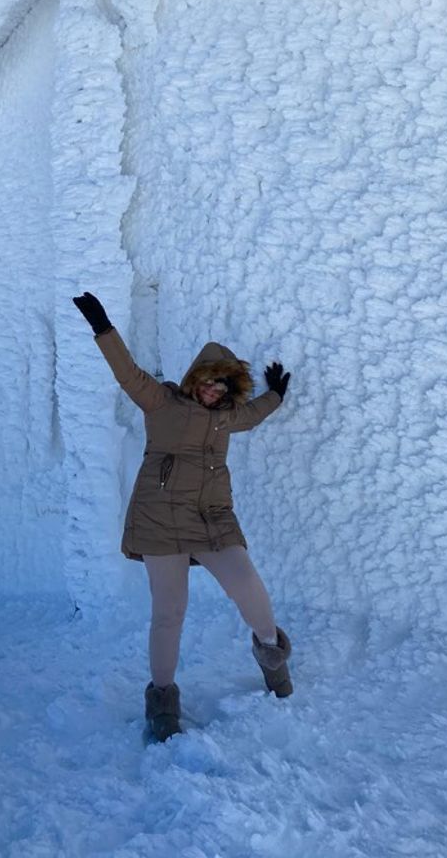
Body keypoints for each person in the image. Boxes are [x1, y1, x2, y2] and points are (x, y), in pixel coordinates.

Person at [72, 291, 293, 742]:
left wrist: (277, 396)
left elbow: (252, 416)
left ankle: (271, 652)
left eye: (223, 387)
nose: (214, 391)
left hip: (213, 519)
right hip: (160, 522)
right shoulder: (162, 403)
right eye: (209, 382)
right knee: (169, 614)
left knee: (249, 589)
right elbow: (128, 373)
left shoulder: (227, 419)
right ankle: (162, 699)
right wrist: (103, 327)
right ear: (195, 379)